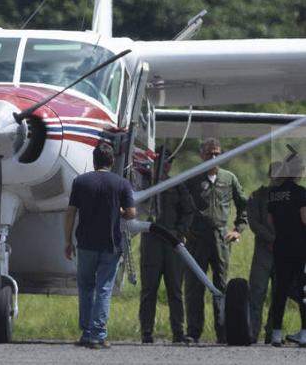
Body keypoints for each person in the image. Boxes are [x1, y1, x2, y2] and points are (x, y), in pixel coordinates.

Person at [64, 142, 136, 349]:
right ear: (112, 161)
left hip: (85, 243)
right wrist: (118, 211)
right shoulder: (121, 183)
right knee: (104, 288)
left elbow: (70, 212)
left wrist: (68, 241)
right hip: (110, 244)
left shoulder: (80, 182)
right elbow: (131, 213)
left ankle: (86, 333)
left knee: (85, 287)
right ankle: (98, 334)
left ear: (94, 161)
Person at [185, 138, 248, 344]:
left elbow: (243, 205)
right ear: (202, 155)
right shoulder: (192, 178)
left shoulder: (228, 178)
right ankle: (194, 332)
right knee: (195, 286)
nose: (213, 157)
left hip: (221, 240)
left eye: (217, 154)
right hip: (197, 239)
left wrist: (237, 229)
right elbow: (180, 206)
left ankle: (223, 332)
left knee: (220, 286)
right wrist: (183, 230)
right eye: (210, 153)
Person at [139, 149, 194, 344]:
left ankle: (178, 332)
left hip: (171, 242)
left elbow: (189, 211)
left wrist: (180, 231)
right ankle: (146, 332)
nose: (165, 165)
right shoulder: (143, 184)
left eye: (168, 162)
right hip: (151, 240)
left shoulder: (176, 185)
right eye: (161, 161)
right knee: (149, 290)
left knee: (175, 290)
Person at [266, 156, 306, 347]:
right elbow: (305, 219)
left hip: (281, 247)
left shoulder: (274, 193)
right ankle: (305, 333)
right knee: (303, 289)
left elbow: (271, 221)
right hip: (301, 247)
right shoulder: (301, 193)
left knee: (280, 290)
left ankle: (276, 333)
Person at [248, 161, 283, 344]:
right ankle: (252, 332)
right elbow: (253, 222)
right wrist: (271, 239)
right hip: (263, 252)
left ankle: (272, 333)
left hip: (283, 253)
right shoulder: (257, 196)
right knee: (257, 292)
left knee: (279, 294)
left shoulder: (289, 197)